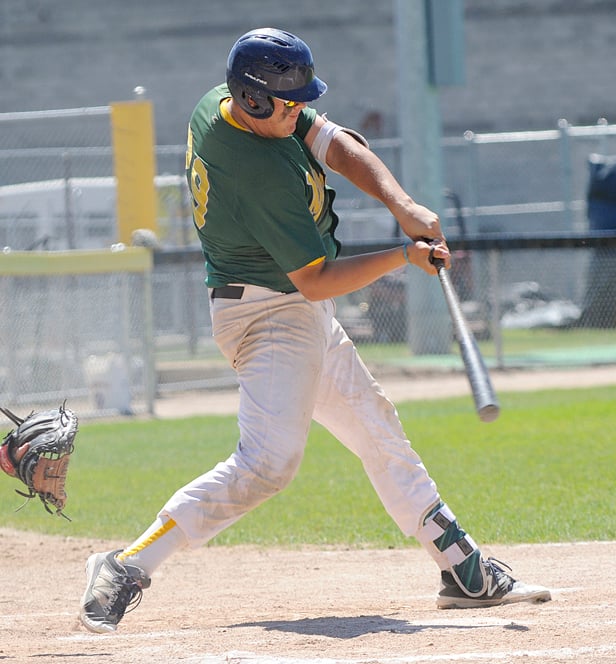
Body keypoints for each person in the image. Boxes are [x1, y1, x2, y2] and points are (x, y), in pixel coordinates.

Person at [79, 27, 551, 633]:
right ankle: (124, 565)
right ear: (251, 100)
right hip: (269, 314)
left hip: (291, 310)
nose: (301, 111)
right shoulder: (254, 170)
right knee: (267, 465)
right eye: (288, 103)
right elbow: (318, 279)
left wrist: (400, 205)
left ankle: (462, 569)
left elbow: (334, 141)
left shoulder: (228, 103)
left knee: (378, 429)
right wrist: (402, 256)